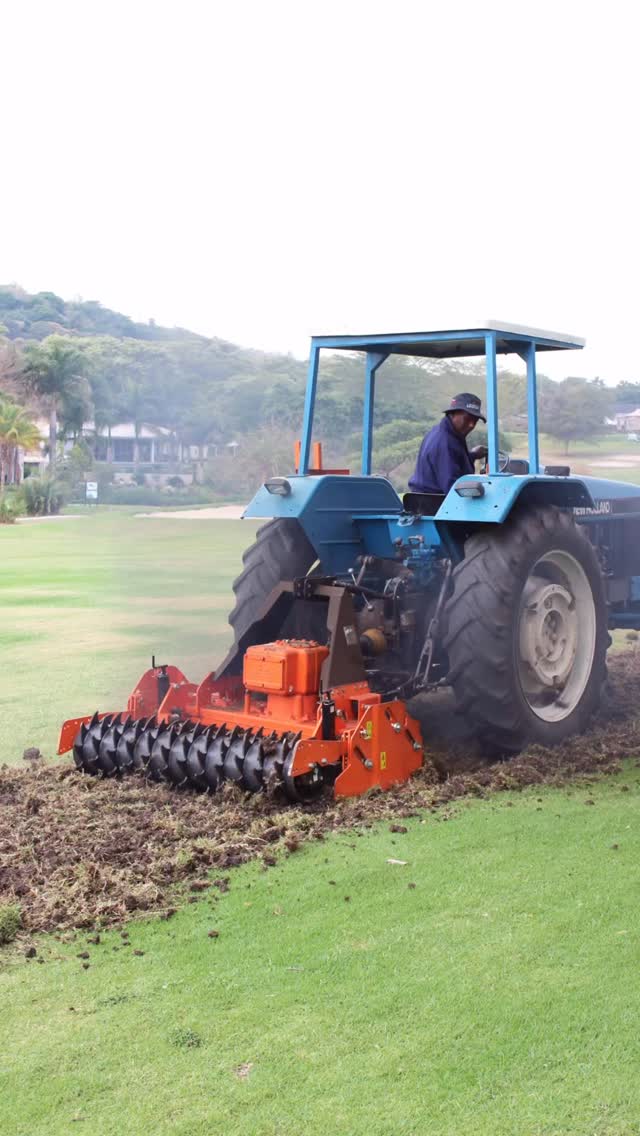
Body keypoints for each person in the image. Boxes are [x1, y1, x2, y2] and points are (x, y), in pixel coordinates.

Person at [408, 393, 488, 495]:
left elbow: (453, 460)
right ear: (453, 414)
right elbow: (453, 488)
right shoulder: (444, 442)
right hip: (434, 504)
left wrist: (472, 455)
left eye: (475, 421)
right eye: (467, 419)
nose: (471, 425)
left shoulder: (445, 432)